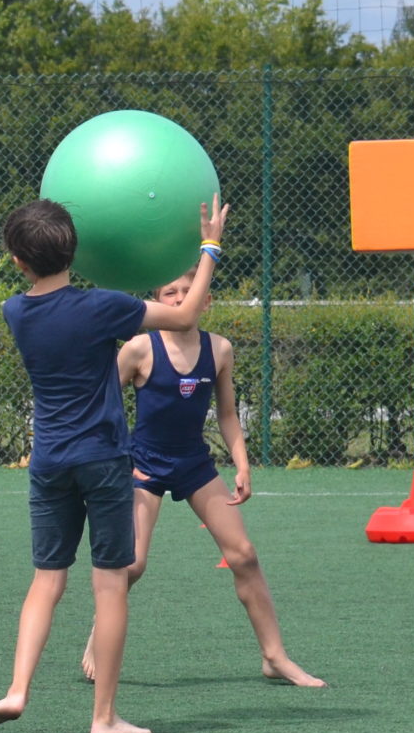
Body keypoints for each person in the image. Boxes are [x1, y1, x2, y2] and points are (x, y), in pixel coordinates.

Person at [0, 193, 230, 733]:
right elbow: (183, 314)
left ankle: (17, 690)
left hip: (49, 463)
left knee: (46, 580)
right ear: (76, 250)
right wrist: (210, 246)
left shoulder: (14, 311)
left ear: (17, 261)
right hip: (107, 461)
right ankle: (104, 718)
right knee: (110, 585)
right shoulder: (101, 307)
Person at [79, 265, 323, 687]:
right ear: (156, 303)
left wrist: (242, 463)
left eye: (187, 291)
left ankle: (275, 657)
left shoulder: (220, 350)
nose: (177, 299)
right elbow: (101, 407)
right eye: (169, 293)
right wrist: (115, 459)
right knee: (131, 564)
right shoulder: (139, 348)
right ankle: (97, 637)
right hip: (144, 463)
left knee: (244, 554)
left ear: (205, 300)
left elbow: (227, 415)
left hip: (194, 464)